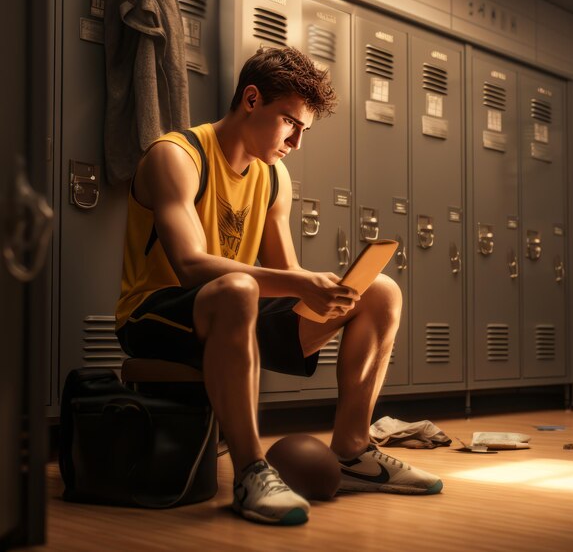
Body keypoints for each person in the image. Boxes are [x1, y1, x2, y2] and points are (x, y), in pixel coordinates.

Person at [115, 46, 443, 526]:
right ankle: (251, 470)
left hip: (234, 312)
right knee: (238, 290)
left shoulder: (274, 178)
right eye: (290, 123)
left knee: (380, 292)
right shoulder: (176, 156)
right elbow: (188, 265)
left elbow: (285, 280)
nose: (296, 141)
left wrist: (327, 294)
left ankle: (352, 452)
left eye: (304, 130)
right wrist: (297, 282)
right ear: (251, 100)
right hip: (154, 312)